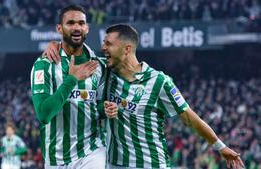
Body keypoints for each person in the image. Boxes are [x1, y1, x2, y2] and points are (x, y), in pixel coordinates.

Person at [43, 24, 245, 168]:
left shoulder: (158, 82)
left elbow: (189, 118)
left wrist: (220, 147)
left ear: (127, 49)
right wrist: (56, 44)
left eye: (108, 44)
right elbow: (75, 52)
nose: (103, 48)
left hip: (151, 164)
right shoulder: (104, 71)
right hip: (115, 164)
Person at [30, 5, 107, 169]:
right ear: (59, 28)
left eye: (81, 23)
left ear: (87, 28)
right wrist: (72, 79)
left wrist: (106, 109)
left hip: (92, 152)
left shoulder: (99, 66)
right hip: (56, 158)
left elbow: (97, 107)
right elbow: (44, 114)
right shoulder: (44, 65)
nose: (77, 27)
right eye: (70, 23)